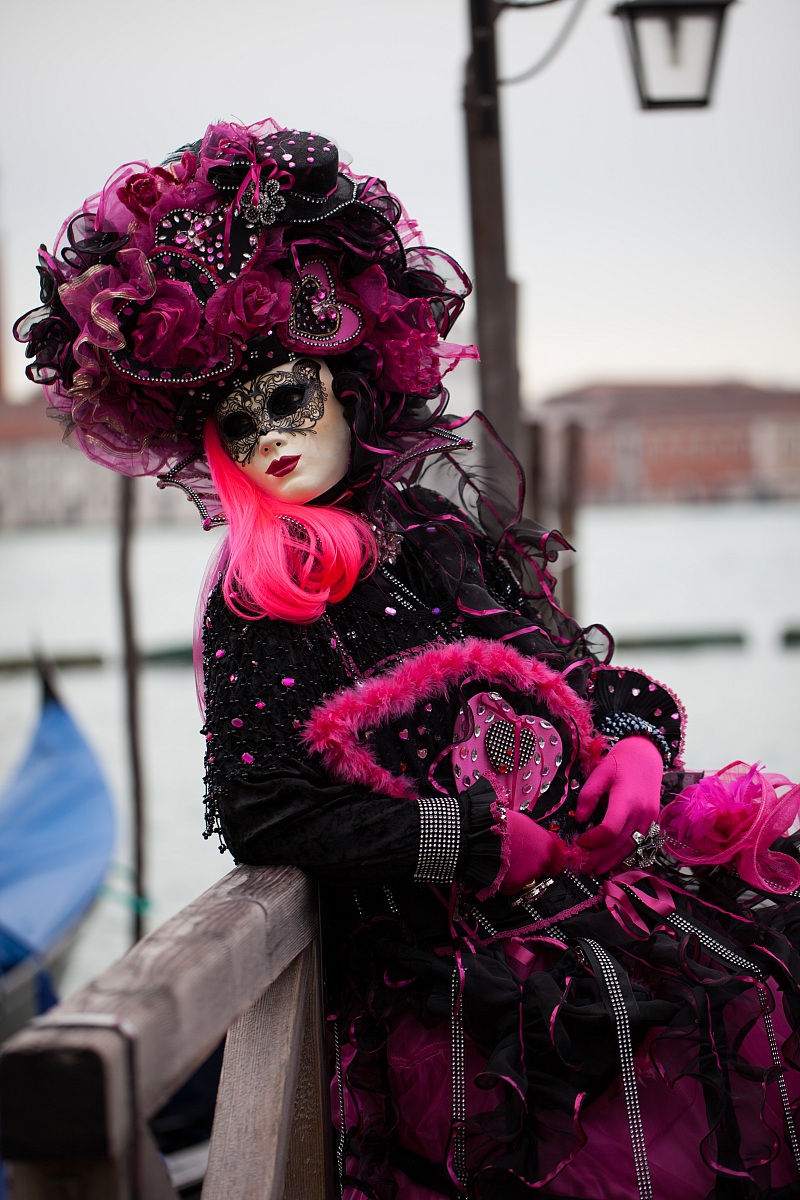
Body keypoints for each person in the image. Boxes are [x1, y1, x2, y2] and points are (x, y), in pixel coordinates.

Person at [16, 118, 800, 1200]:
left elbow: (581, 676)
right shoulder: (262, 602)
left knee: (756, 984)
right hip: (449, 975)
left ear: (348, 380)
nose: (269, 442)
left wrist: (626, 749)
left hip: (590, 901)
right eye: (234, 429)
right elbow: (265, 810)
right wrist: (471, 838)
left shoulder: (445, 538)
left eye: (287, 398)